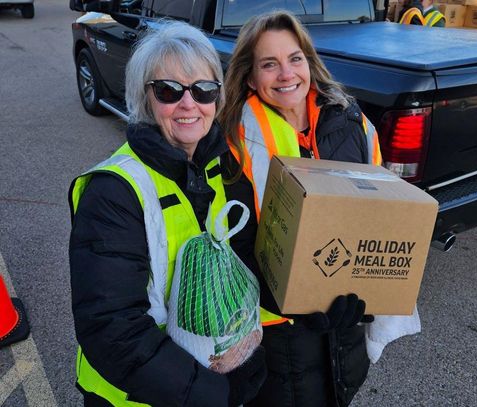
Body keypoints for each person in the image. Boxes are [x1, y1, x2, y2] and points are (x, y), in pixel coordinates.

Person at [68, 21, 266, 407]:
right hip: (135, 397)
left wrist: (313, 307)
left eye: (203, 89)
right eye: (169, 90)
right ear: (146, 99)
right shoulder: (115, 191)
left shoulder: (216, 166)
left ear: (217, 98)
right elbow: (112, 328)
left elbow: (244, 263)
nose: (188, 103)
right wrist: (210, 393)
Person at [219, 11, 381, 407]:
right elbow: (230, 243)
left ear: (309, 62)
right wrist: (293, 299)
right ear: (250, 77)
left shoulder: (351, 121)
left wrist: (373, 290)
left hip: (342, 327)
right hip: (278, 335)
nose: (286, 73)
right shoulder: (234, 140)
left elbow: (382, 212)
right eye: (269, 64)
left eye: (294, 58)